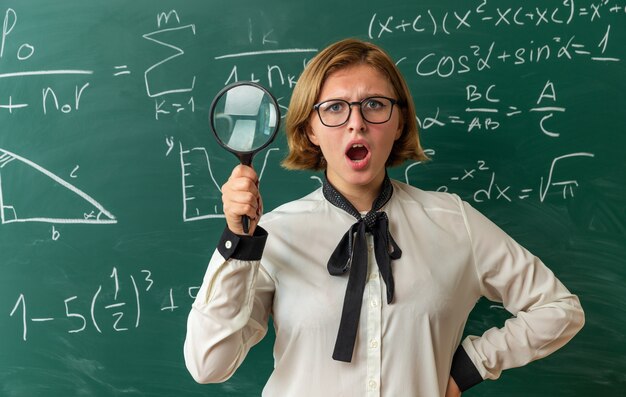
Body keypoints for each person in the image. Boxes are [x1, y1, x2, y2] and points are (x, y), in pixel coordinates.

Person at [184, 38, 585, 397]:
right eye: (335, 108)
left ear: (398, 123)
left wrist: (469, 367)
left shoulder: (453, 221)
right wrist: (238, 242)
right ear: (310, 130)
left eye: (374, 105)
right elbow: (209, 365)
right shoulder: (276, 234)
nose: (356, 122)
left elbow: (558, 309)